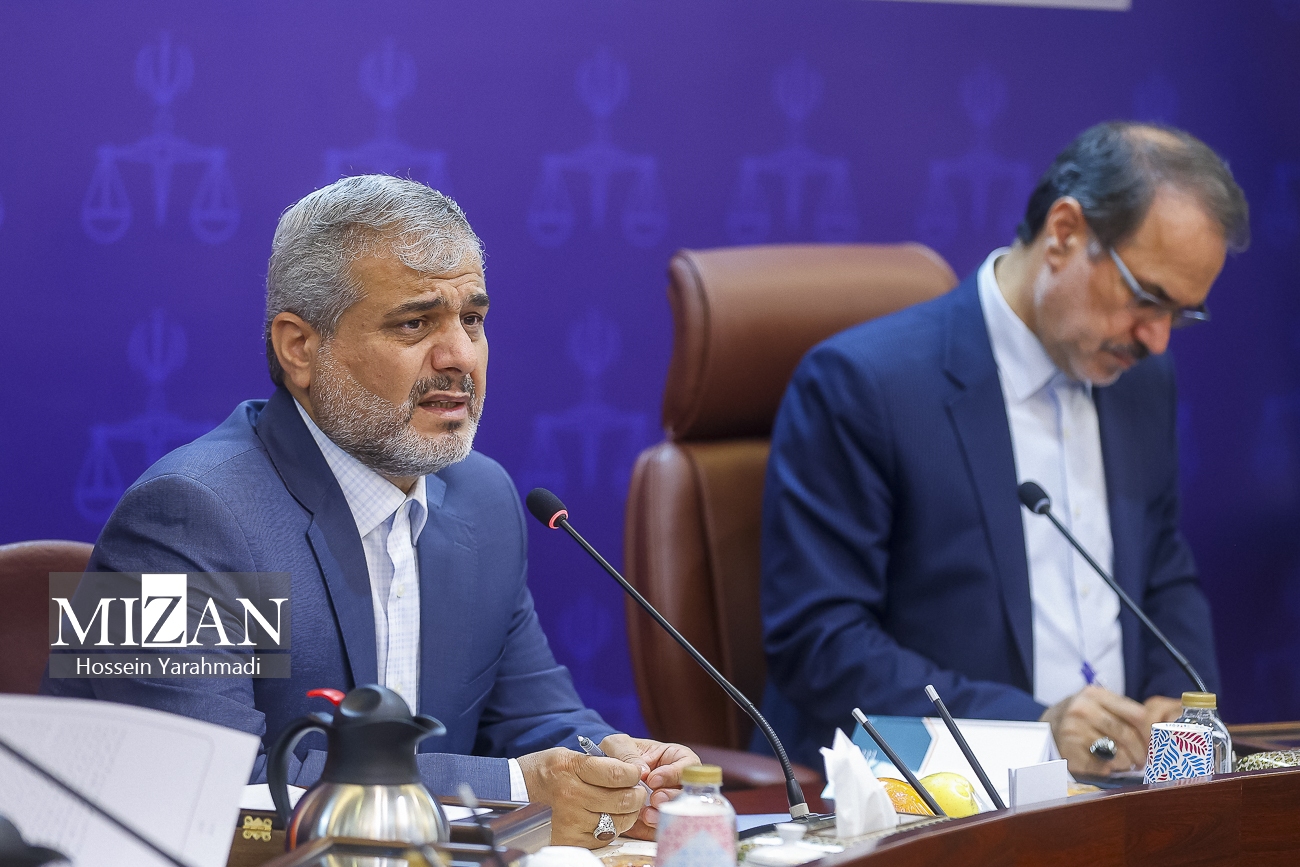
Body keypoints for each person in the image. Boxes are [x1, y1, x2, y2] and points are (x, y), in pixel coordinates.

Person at [43, 175, 696, 847]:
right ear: (300, 347)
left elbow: (534, 719)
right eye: (415, 323)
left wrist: (615, 767)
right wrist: (513, 789)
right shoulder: (181, 517)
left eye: (472, 319)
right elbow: (212, 794)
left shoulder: (485, 499)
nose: (459, 356)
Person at [759, 122, 1249, 776]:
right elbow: (820, 643)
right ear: (1064, 232)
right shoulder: (864, 385)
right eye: (1147, 298)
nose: (1157, 338)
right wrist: (1035, 730)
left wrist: (1181, 705)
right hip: (936, 796)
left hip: (1121, 790)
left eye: (1181, 314)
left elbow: (1161, 568)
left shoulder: (1142, 382)